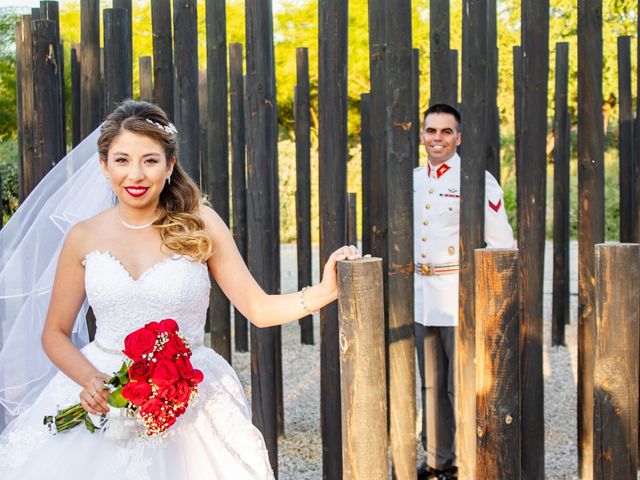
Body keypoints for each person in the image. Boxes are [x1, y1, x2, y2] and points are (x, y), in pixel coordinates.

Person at [0, 100, 360, 479]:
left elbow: (258, 308)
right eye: (122, 160)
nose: (135, 175)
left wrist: (323, 291)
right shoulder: (83, 236)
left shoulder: (200, 223)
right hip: (104, 392)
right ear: (103, 166)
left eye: (150, 160)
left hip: (189, 395)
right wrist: (89, 378)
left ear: (169, 165)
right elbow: (54, 333)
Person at [414, 104, 514, 480]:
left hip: (460, 297)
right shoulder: (413, 179)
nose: (437, 138)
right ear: (422, 135)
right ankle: (439, 458)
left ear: (458, 137)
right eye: (430, 131)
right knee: (430, 384)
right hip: (422, 296)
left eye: (445, 131)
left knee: (462, 386)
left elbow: (502, 243)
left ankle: (470, 460)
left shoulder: (476, 179)